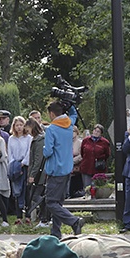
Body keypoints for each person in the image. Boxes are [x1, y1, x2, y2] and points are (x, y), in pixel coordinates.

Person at [43, 100, 84, 238]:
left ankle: (74, 221)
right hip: (67, 169)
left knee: (50, 202)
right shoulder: (69, 124)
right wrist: (70, 103)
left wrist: (44, 149)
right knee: (58, 203)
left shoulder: (51, 129)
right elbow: (73, 114)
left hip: (55, 170)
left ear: (52, 114)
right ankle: (55, 232)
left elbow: (48, 152)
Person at [7, 115, 31, 222]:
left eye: (21, 125)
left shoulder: (28, 138)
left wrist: (23, 163)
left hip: (25, 166)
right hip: (15, 166)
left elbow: (29, 152)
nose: (19, 127)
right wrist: (14, 164)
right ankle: (18, 216)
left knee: (27, 191)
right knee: (17, 191)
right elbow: (10, 153)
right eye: (17, 125)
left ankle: (28, 216)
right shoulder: (11, 139)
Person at [25, 118, 48, 227]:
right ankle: (44, 217)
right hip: (38, 172)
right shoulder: (37, 139)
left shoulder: (39, 140)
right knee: (38, 196)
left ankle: (46, 216)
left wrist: (32, 175)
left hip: (40, 174)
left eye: (28, 129)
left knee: (36, 196)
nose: (27, 132)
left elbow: (38, 159)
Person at [79, 123, 111, 189]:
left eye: (98, 131)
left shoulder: (105, 142)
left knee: (98, 187)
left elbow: (107, 154)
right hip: (86, 167)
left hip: (98, 168)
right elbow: (82, 152)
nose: (96, 132)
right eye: (95, 130)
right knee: (87, 187)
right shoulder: (86, 140)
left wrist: (100, 159)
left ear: (101, 133)